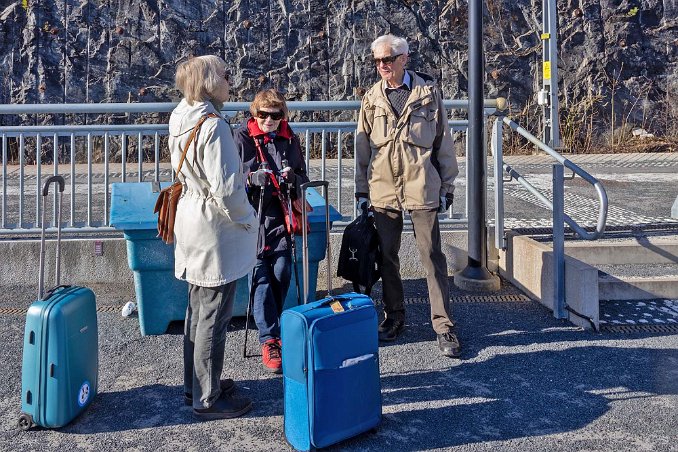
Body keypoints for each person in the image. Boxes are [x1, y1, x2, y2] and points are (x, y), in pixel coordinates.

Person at [355, 34, 461, 358]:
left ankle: (443, 326)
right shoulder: (371, 99)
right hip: (384, 191)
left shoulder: (427, 94)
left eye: (388, 59)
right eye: (377, 61)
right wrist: (361, 191)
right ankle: (394, 317)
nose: (383, 66)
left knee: (432, 258)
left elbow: (443, 142)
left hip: (422, 188)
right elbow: (362, 150)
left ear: (404, 58)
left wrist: (447, 187)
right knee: (387, 258)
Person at [169, 55, 257, 419]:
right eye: (225, 74)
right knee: (214, 314)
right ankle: (207, 396)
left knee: (197, 309)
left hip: (191, 216)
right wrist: (248, 219)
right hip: (214, 226)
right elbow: (227, 190)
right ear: (208, 81)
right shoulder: (214, 125)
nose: (230, 81)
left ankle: (196, 383)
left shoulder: (180, 115)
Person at [233, 89, 309, 373]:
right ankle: (269, 338)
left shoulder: (290, 138)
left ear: (282, 116)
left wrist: (294, 178)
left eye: (275, 115)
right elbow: (229, 175)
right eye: (263, 114)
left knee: (282, 272)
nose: (268, 120)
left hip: (281, 216)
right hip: (252, 217)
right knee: (261, 277)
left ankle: (273, 327)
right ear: (255, 114)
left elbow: (303, 176)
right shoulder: (241, 137)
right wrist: (251, 178)